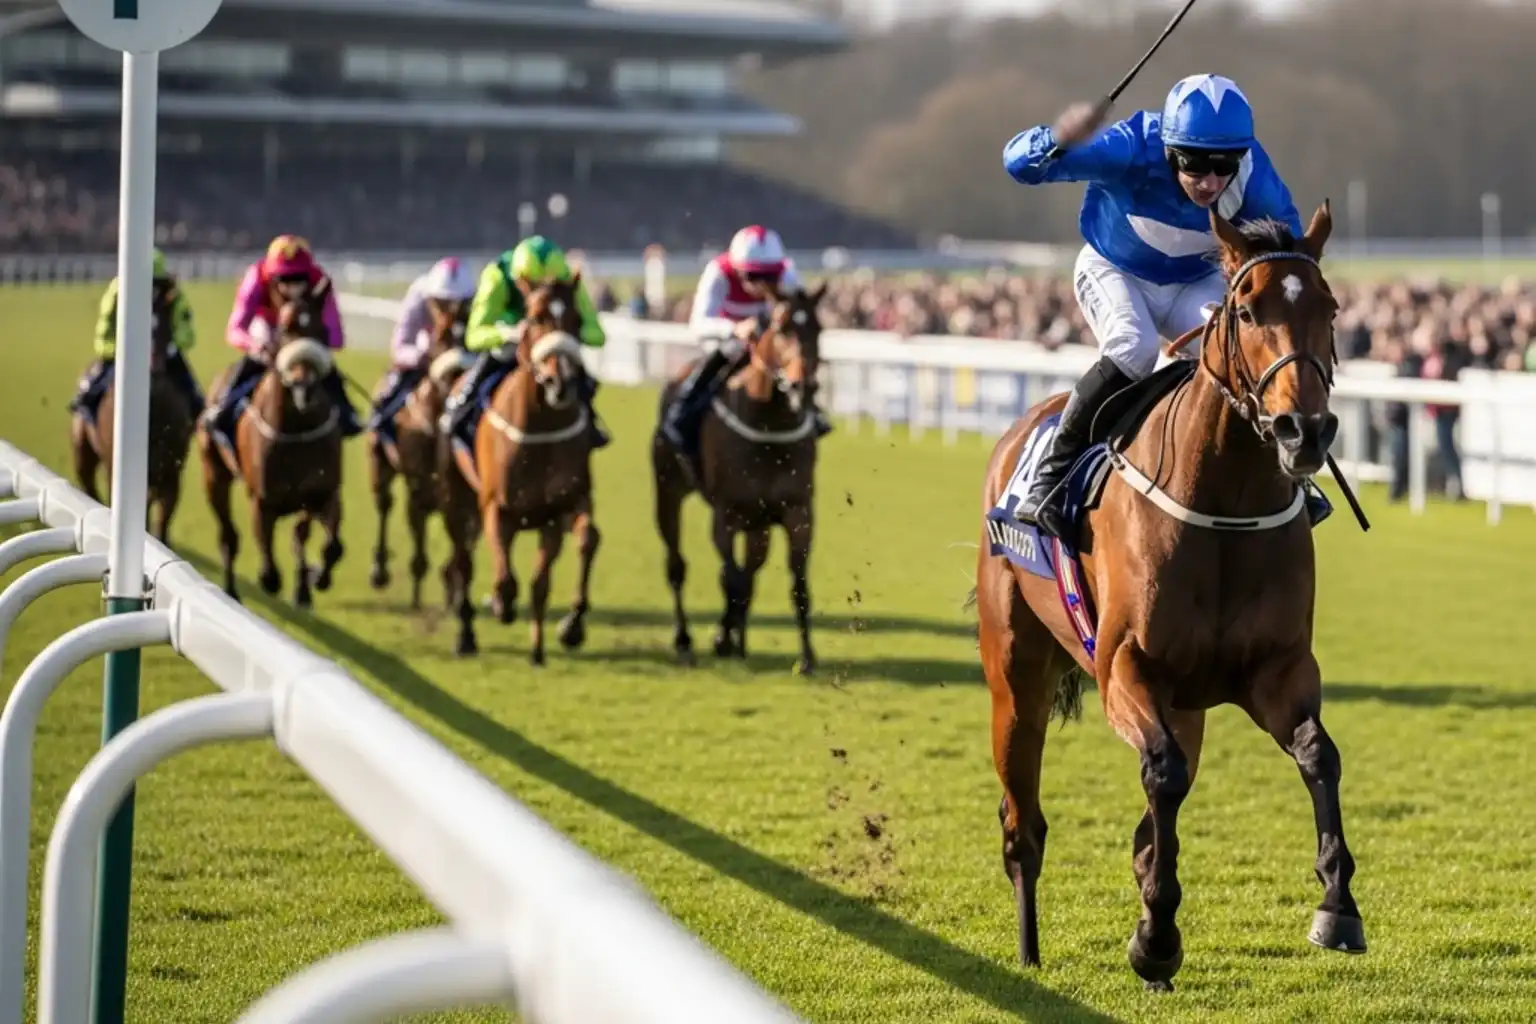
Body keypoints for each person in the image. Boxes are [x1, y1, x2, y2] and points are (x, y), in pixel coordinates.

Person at [1001, 73, 1329, 536]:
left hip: (1192, 283)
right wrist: (1055, 139)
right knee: (1133, 348)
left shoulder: (1258, 181)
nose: (1210, 181)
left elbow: (1288, 256)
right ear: (1169, 149)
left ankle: (1287, 474)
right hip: (1114, 270)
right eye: (1193, 164)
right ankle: (1050, 476)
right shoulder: (1130, 147)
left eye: (1224, 165)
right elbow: (1018, 165)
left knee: (1236, 354)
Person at [660, 225, 833, 457]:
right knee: (722, 355)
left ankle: (812, 413)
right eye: (752, 275)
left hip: (768, 343)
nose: (761, 284)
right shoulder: (718, 272)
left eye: (769, 275)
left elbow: (801, 313)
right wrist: (735, 329)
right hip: (726, 341)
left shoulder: (788, 273)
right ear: (737, 268)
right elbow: (698, 323)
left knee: (794, 368)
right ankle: (681, 412)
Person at [439, 235, 609, 449]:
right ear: (519, 279)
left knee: (582, 382)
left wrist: (564, 337)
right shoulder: (497, 275)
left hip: (550, 352)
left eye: (549, 286)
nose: (541, 293)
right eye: (533, 286)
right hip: (508, 349)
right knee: (477, 383)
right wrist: (508, 334)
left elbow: (597, 334)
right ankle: (459, 412)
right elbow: (474, 336)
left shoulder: (566, 278)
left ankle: (590, 426)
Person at [205, 234, 361, 442]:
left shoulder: (320, 282)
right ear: (272, 277)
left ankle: (346, 412)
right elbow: (236, 329)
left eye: (299, 280)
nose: (293, 288)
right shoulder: (255, 278)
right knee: (254, 361)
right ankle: (224, 408)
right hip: (267, 326)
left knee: (324, 364)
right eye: (285, 280)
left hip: (303, 330)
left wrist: (315, 344)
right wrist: (257, 345)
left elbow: (335, 336)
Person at [71, 247, 204, 422]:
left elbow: (185, 331)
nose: (151, 290)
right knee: (94, 389)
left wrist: (172, 346)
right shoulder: (117, 292)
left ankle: (203, 416)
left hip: (163, 352)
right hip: (123, 352)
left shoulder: (174, 295)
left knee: (194, 397)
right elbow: (105, 330)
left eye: (156, 284)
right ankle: (86, 400)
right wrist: (115, 350)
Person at [367, 256, 478, 447]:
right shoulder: (418, 295)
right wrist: (423, 353)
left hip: (462, 364)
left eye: (458, 303)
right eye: (442, 303)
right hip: (421, 362)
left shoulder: (475, 302)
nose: (450, 310)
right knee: (386, 399)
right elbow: (399, 346)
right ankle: (380, 428)